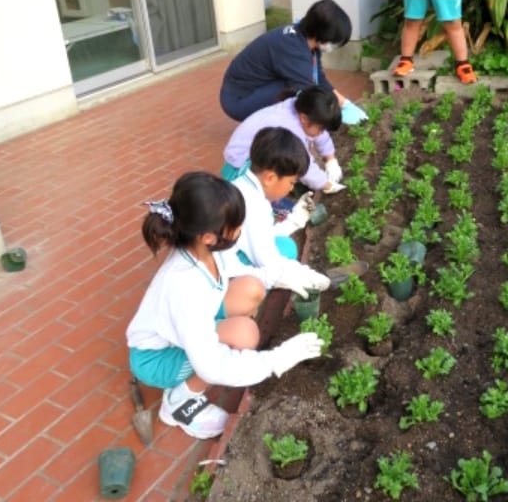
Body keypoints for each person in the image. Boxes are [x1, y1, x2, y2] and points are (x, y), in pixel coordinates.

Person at [126, 171, 324, 439]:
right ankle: (179, 404)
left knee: (250, 288)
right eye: (236, 226)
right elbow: (211, 363)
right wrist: (275, 360)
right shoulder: (184, 285)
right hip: (155, 358)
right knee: (245, 335)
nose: (240, 231)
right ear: (208, 235)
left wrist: (287, 277)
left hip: (184, 327)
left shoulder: (205, 249)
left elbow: (245, 271)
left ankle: (188, 389)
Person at [219, 0, 368, 125]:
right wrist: (334, 118)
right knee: (297, 93)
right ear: (322, 35)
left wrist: (345, 104)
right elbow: (311, 92)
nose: (334, 47)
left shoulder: (305, 39)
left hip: (251, 88)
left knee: (301, 87)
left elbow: (318, 78)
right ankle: (277, 130)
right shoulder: (293, 49)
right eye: (335, 42)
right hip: (237, 99)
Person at [230, 126, 332, 291]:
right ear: (270, 178)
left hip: (222, 261)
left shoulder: (243, 182)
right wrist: (307, 276)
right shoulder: (254, 206)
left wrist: (295, 220)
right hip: (216, 283)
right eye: (291, 183)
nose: (291, 189)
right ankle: (233, 308)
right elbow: (268, 261)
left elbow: (262, 235)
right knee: (281, 258)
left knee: (285, 246)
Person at [221, 86, 345, 194]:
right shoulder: (290, 128)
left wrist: (330, 159)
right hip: (240, 166)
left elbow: (318, 133)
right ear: (304, 119)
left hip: (257, 153)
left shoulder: (303, 108)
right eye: (322, 129)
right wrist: (326, 184)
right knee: (252, 200)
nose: (323, 133)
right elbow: (304, 165)